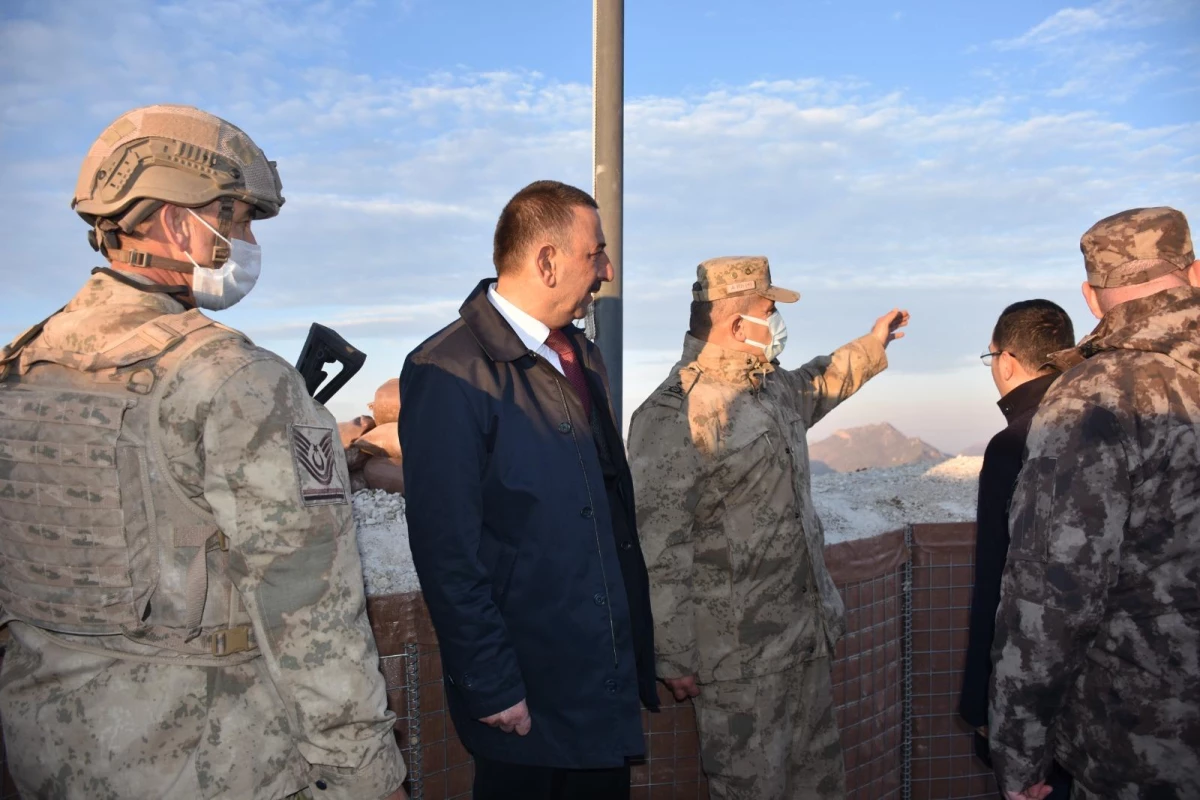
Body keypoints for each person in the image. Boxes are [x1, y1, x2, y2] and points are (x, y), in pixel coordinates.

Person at [0, 105, 407, 800]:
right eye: (237, 216)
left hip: (50, 753)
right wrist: (366, 775)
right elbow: (310, 605)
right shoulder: (237, 379)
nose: (246, 238)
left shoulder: (20, 369)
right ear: (175, 219)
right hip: (214, 758)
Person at [399, 180, 657, 800]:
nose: (608, 270)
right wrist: (491, 683)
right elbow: (446, 549)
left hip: (597, 679)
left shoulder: (580, 355)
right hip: (528, 693)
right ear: (547, 260)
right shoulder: (447, 371)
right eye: (596, 253)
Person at [627, 256, 909, 800]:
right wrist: (674, 653)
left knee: (819, 787)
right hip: (738, 661)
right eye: (770, 310)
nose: (777, 321)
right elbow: (659, 545)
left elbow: (819, 382)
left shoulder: (770, 387)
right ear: (737, 325)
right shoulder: (673, 414)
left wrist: (873, 345)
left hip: (805, 641)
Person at [989, 207, 1200, 800]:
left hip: (1147, 746)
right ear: (1196, 272)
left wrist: (1020, 752)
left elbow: (1051, 596)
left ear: (1090, 295)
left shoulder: (1100, 394)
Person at [958, 300, 1075, 797]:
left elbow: (998, 581)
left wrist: (980, 703)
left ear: (1005, 361)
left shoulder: (1016, 442)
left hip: (1040, 702)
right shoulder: (1111, 418)